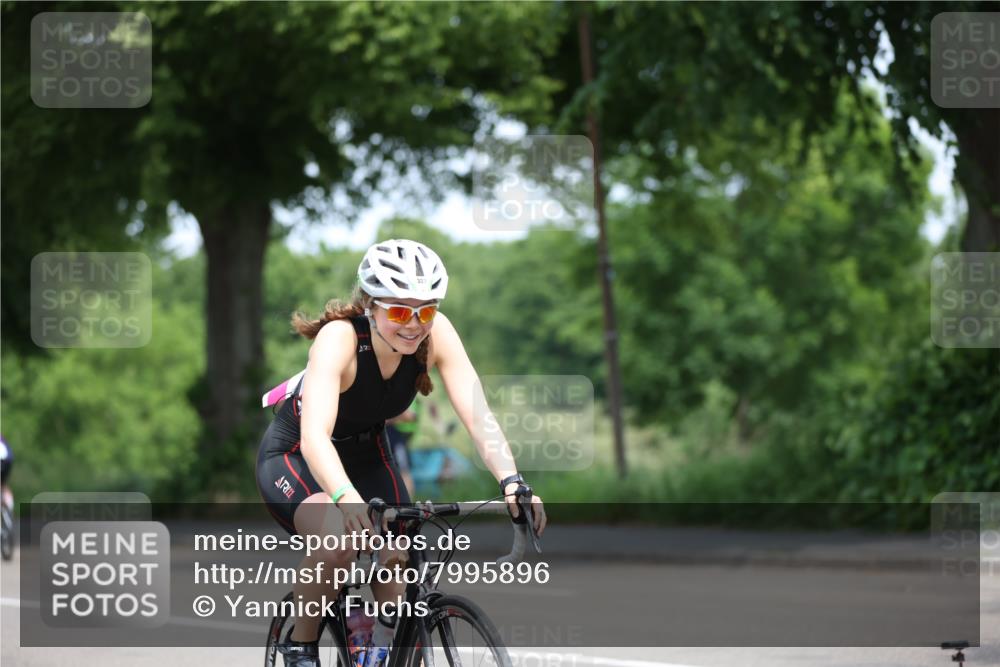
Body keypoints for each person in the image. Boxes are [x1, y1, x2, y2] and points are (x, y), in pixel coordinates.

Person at [256, 239, 546, 667]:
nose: (413, 324)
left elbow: (477, 414)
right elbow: (316, 436)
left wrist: (512, 481)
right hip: (298, 456)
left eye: (425, 311)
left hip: (368, 455)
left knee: (400, 564)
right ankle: (299, 645)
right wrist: (345, 498)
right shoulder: (339, 339)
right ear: (371, 305)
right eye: (398, 311)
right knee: (339, 537)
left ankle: (377, 652)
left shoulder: (436, 335)